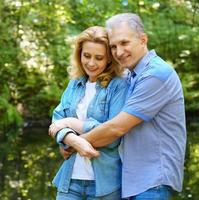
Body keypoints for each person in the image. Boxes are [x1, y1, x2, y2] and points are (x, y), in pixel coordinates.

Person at [53, 13, 187, 200]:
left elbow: (116, 128)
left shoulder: (155, 74)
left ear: (143, 39)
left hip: (153, 181)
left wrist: (72, 143)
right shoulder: (131, 75)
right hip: (132, 179)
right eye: (114, 46)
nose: (118, 51)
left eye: (124, 43)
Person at [48, 26, 128, 199]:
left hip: (104, 185)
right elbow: (56, 121)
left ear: (109, 59)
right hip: (70, 180)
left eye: (99, 58)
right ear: (79, 55)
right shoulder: (75, 84)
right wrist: (71, 140)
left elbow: (112, 133)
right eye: (86, 56)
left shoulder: (119, 86)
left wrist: (71, 124)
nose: (91, 63)